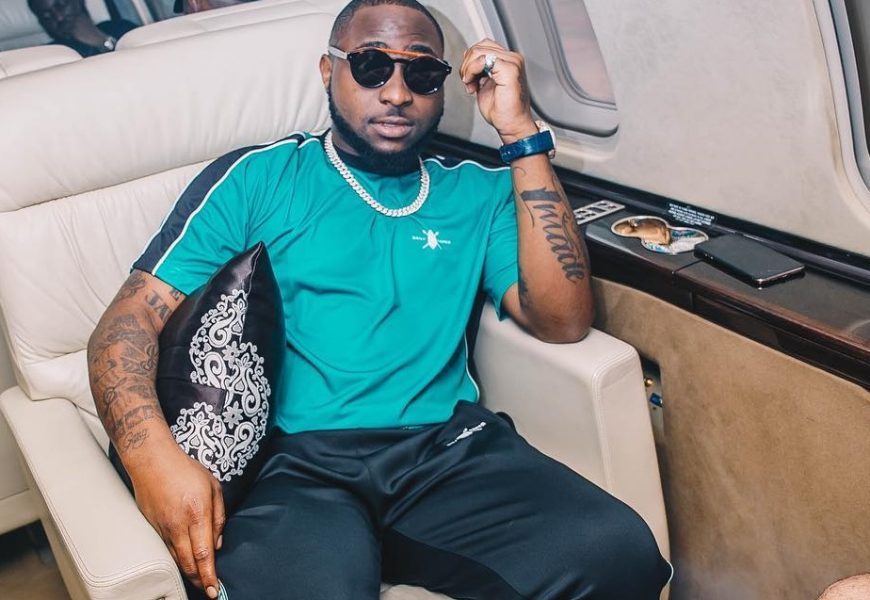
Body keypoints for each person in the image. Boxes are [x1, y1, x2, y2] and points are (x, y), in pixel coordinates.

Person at [86, 0, 673, 598]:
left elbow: (563, 321)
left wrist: (521, 135)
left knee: (618, 552)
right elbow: (128, 321)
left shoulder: (480, 191)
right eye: (370, 66)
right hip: (296, 467)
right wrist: (151, 459)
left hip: (444, 450)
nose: (396, 93)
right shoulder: (258, 178)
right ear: (328, 71)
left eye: (421, 73)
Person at [28, 0, 136, 57]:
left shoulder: (122, 27)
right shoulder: (48, 55)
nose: (59, 17)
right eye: (46, 16)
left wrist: (101, 40)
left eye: (61, 5)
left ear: (79, 2)